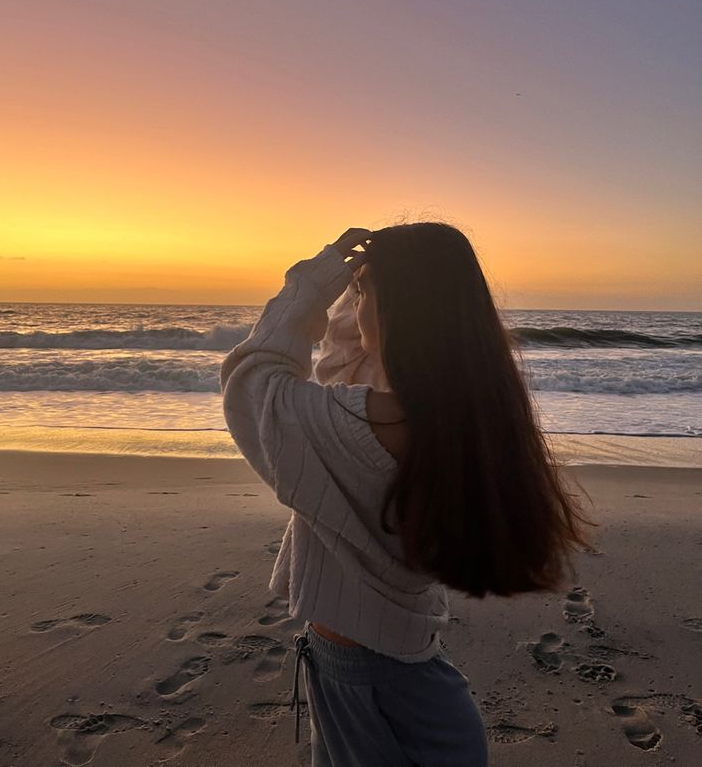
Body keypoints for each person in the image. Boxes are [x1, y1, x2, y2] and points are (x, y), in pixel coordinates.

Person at [220, 223, 596, 766]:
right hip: (411, 676)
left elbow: (251, 379)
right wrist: (365, 291)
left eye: (365, 290)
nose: (355, 299)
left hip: (367, 687)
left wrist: (315, 281)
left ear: (397, 306)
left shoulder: (347, 428)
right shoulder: (464, 425)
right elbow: (342, 365)